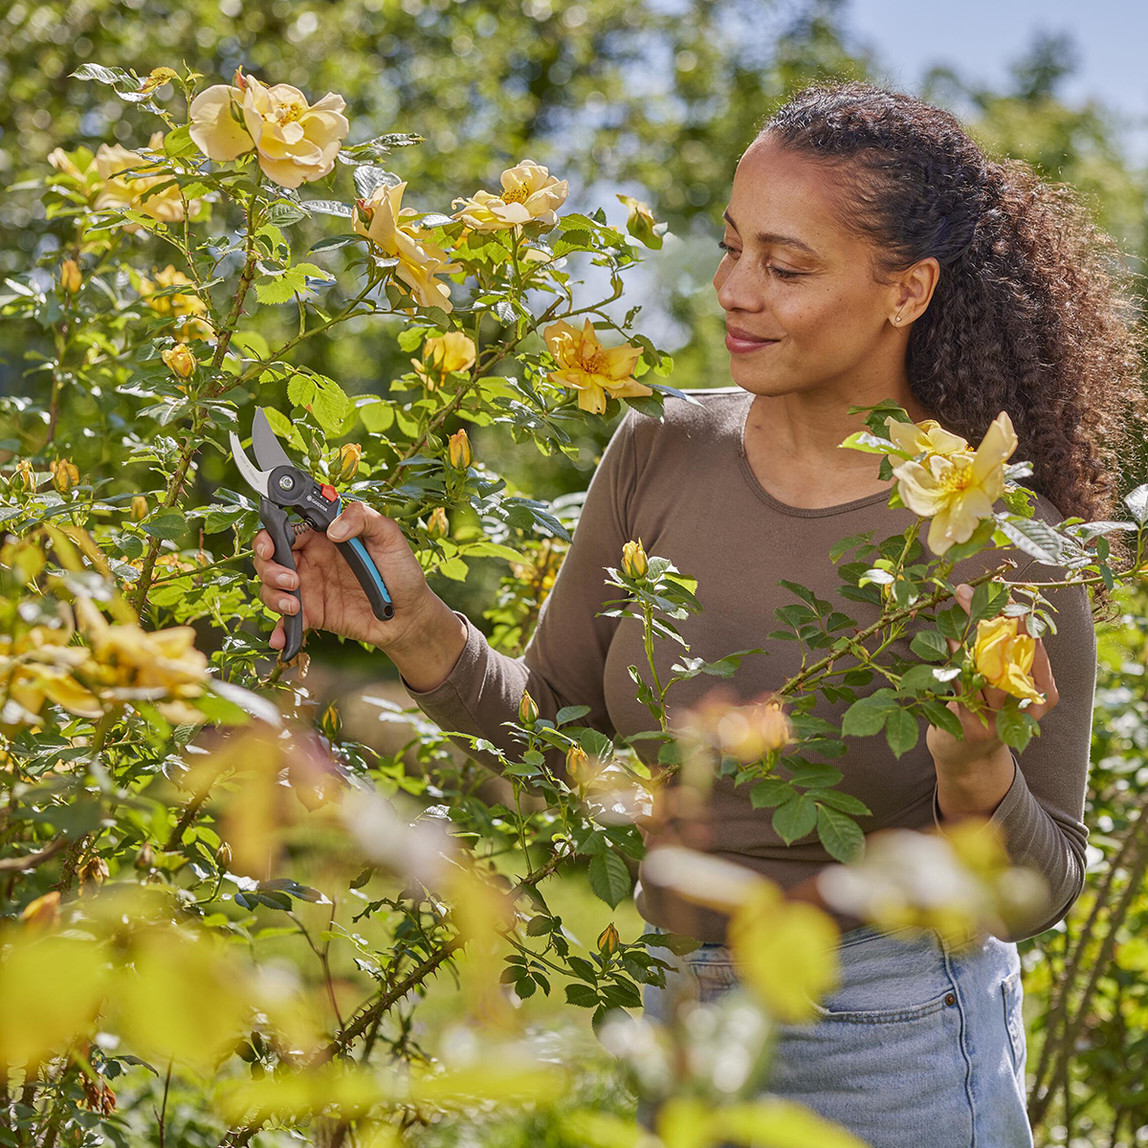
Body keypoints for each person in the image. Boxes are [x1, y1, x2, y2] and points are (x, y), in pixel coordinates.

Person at [252, 84, 1141, 1146]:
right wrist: (412, 623)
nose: (733, 290)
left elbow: (1033, 893)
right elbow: (552, 728)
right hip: (668, 1016)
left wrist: (973, 772)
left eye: (786, 266)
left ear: (905, 291)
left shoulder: (1001, 537)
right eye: (730, 247)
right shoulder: (658, 448)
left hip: (889, 1044)